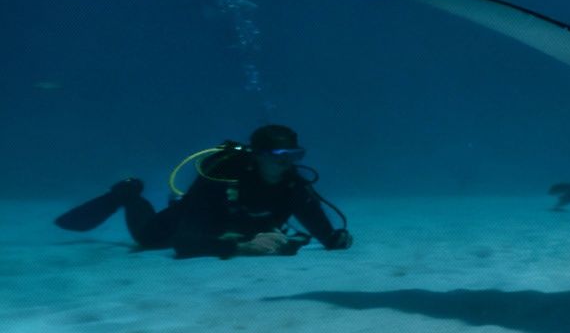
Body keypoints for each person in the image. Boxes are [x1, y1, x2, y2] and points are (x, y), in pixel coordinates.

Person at [54, 124, 354, 259]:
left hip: (234, 229)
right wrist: (239, 248)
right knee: (147, 239)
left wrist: (333, 238)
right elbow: (184, 244)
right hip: (189, 222)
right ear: (257, 155)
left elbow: (315, 221)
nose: (288, 164)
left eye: (295, 155)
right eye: (279, 156)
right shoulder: (221, 177)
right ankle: (128, 193)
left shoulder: (292, 184)